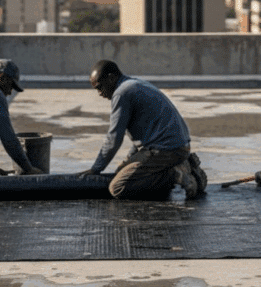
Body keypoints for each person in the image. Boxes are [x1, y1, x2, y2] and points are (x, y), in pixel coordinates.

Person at [80, 60, 206, 200]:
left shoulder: (121, 94)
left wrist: (96, 169)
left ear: (111, 78)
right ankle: (184, 164)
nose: (99, 93)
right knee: (122, 173)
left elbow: (114, 137)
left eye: (100, 87)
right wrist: (130, 161)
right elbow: (141, 135)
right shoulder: (133, 84)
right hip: (177, 146)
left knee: (118, 187)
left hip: (166, 150)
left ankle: (176, 174)